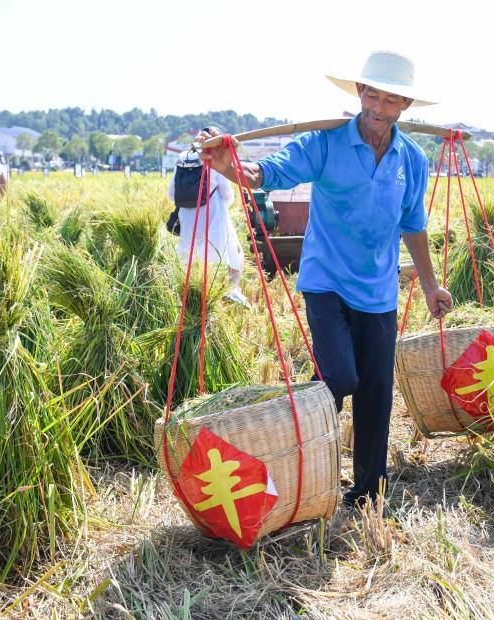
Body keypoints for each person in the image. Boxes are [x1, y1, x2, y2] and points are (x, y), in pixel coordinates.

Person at [198, 50, 453, 507]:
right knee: (338, 377)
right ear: (359, 93)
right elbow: (266, 173)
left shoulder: (410, 160)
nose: (376, 108)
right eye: (370, 95)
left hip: (378, 288)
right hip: (326, 280)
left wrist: (432, 285)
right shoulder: (326, 143)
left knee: (375, 391)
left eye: (389, 100)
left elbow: (413, 224)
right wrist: (230, 166)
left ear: (405, 107)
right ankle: (301, 463)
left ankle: (368, 490)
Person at [167, 155, 248, 305]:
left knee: (190, 255)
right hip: (214, 214)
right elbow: (227, 196)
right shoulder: (214, 159)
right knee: (234, 250)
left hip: (187, 215)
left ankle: (189, 295)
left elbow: (172, 193)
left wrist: (190, 204)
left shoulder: (182, 159)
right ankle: (232, 289)